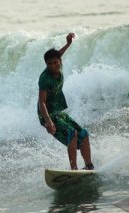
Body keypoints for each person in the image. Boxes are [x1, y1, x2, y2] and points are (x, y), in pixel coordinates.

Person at [37, 33, 94, 170]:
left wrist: (68, 43)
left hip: (57, 112)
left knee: (83, 133)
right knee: (71, 133)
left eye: (55, 62)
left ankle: (89, 166)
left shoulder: (58, 65)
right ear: (46, 64)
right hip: (47, 114)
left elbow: (59, 54)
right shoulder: (45, 78)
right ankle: (73, 169)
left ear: (60, 62)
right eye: (49, 64)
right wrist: (48, 122)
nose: (53, 66)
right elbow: (42, 102)